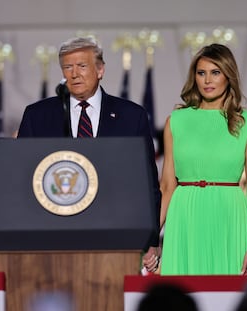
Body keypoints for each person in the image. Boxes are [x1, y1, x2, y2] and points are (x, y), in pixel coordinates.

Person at [17, 36, 162, 268]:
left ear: (100, 69)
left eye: (82, 66)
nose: (74, 74)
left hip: (117, 235)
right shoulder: (38, 116)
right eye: (67, 67)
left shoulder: (131, 116)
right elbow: (23, 178)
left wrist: (151, 238)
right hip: (54, 236)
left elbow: (147, 184)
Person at [156, 43, 247, 275]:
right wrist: (151, 238)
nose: (207, 80)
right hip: (184, 218)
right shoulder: (175, 121)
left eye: (215, 72)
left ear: (228, 76)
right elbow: (167, 186)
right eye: (201, 73)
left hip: (230, 218)